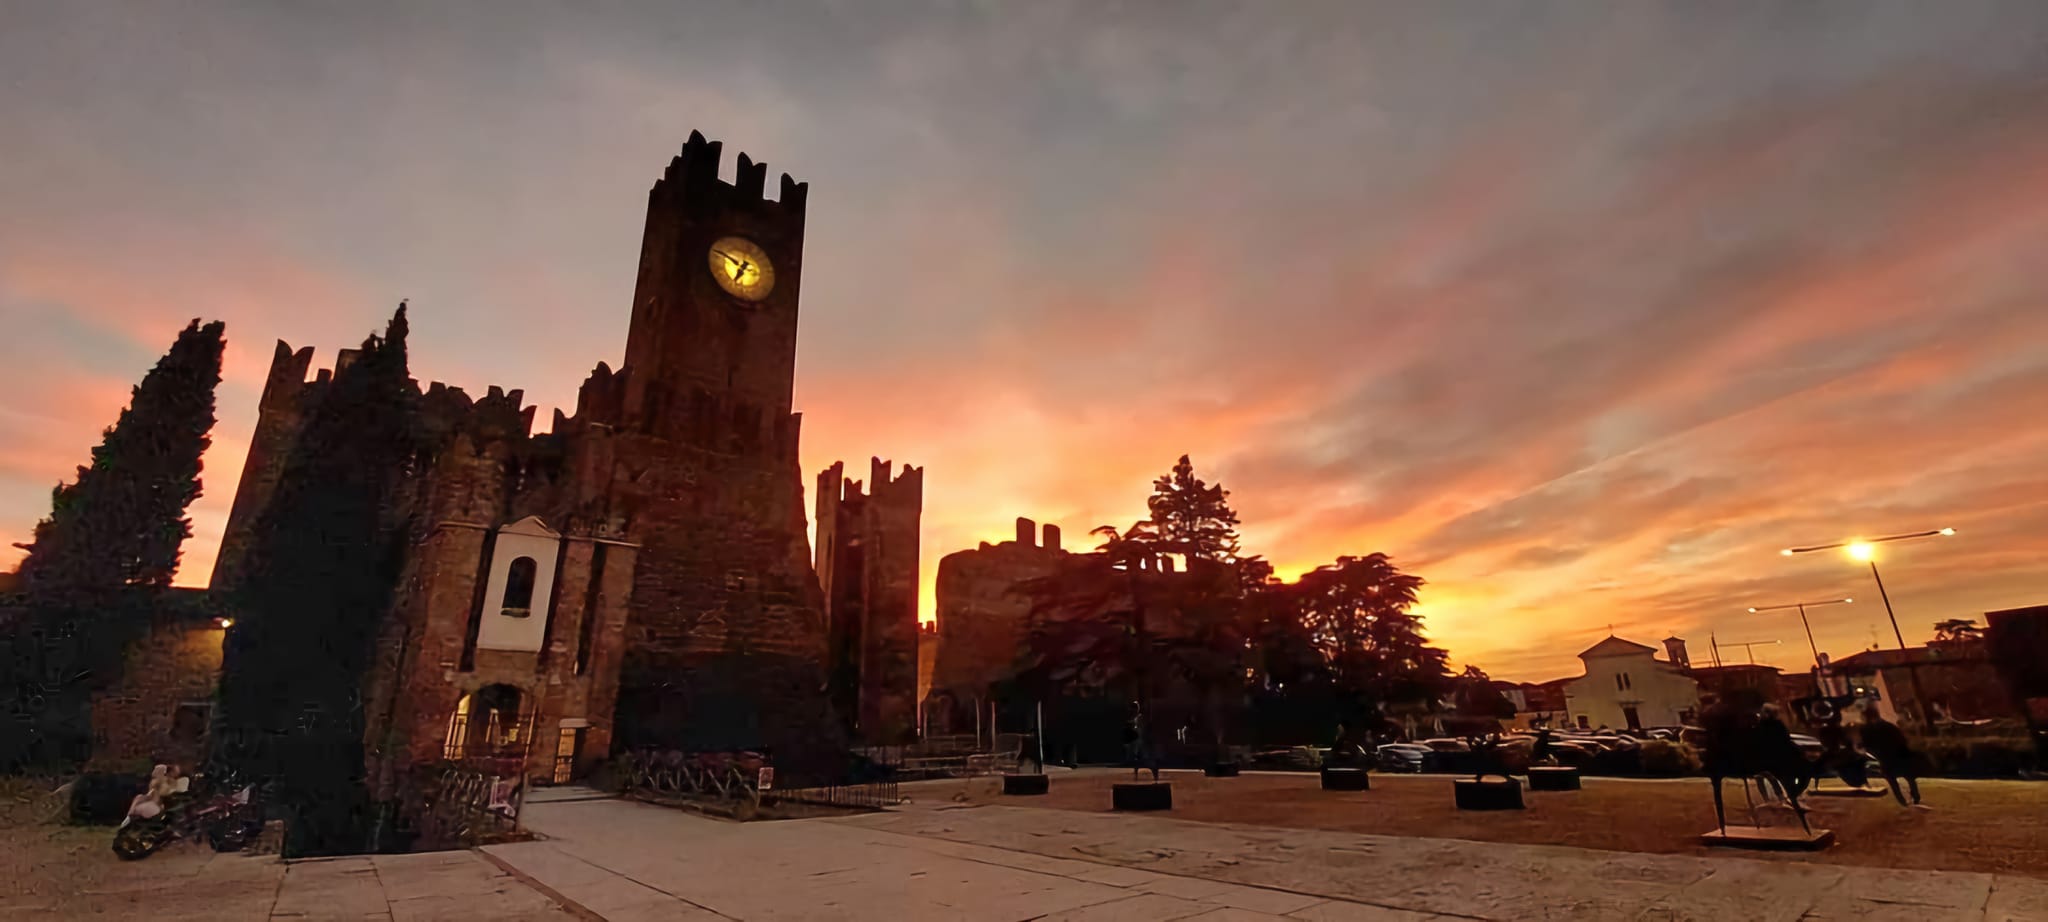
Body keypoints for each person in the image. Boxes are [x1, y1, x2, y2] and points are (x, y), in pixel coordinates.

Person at [1859, 706, 1927, 809]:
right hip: (1898, 755)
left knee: (1892, 780)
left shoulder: (1866, 729)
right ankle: (1915, 797)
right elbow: (1901, 739)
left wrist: (1872, 751)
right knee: (1908, 776)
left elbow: (1867, 745)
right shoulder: (1888, 726)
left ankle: (1903, 801)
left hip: (1885, 757)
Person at [1124, 703, 1157, 782]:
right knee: (1137, 761)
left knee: (1146, 760)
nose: (1132, 710)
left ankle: (1154, 774)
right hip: (1139, 742)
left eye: (1133, 709)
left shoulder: (1140, 717)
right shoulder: (1136, 718)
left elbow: (1142, 729)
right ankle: (1136, 776)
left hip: (1141, 742)